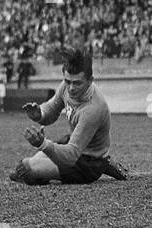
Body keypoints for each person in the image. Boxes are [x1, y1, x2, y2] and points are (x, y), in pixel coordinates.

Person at [9, 45, 129, 185]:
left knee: (27, 170)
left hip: (88, 162)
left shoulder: (93, 109)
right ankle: (106, 161)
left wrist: (42, 144)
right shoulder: (66, 85)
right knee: (22, 169)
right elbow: (52, 109)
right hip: (73, 143)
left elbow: (71, 156)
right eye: (68, 81)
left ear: (90, 80)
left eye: (77, 83)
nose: (71, 88)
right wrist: (39, 113)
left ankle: (103, 162)